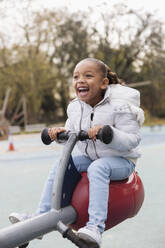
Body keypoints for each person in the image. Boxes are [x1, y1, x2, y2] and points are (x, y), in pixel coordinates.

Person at [9, 58, 144, 247]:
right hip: (91, 158)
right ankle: (39, 217)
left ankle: (95, 228)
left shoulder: (120, 106)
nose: (80, 80)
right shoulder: (75, 107)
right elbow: (71, 134)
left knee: (98, 167)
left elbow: (133, 139)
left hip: (122, 161)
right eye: (76, 77)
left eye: (88, 76)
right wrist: (58, 134)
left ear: (104, 83)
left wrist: (108, 133)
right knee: (63, 164)